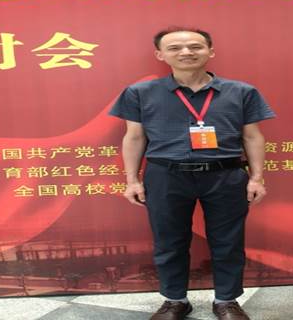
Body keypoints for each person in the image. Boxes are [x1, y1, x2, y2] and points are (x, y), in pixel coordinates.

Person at [109, 27, 275, 320]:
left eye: (195, 46)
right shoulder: (140, 93)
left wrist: (256, 178)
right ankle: (175, 301)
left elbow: (252, 136)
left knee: (228, 240)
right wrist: (132, 180)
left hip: (225, 175)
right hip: (165, 175)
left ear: (210, 51)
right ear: (160, 55)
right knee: (169, 240)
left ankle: (226, 301)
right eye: (175, 48)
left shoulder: (241, 92)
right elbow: (134, 137)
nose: (186, 52)